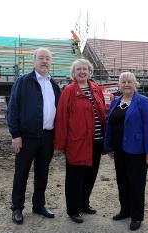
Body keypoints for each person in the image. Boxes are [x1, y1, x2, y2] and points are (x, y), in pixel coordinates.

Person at [7, 48, 61, 224]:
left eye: (47, 58)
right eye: (41, 58)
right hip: (26, 137)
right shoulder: (23, 81)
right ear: (34, 61)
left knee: (42, 173)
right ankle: (17, 208)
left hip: (47, 137)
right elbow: (13, 108)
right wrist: (15, 135)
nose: (44, 61)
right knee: (21, 173)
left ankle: (38, 205)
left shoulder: (54, 84)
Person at [54, 58, 106, 223]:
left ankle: (84, 204)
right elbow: (61, 118)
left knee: (90, 176)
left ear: (89, 71)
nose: (82, 72)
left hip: (96, 142)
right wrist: (61, 143)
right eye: (78, 70)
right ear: (73, 73)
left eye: (85, 69)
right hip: (77, 142)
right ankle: (73, 210)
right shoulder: (69, 91)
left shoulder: (96, 89)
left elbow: (103, 112)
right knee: (75, 178)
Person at [104, 72, 148, 231]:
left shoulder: (143, 101)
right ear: (119, 85)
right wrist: (109, 146)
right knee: (122, 181)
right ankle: (125, 210)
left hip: (137, 151)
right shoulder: (116, 101)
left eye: (130, 82)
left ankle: (136, 216)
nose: (126, 84)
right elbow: (110, 125)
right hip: (119, 149)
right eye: (123, 82)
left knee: (136, 184)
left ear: (135, 84)